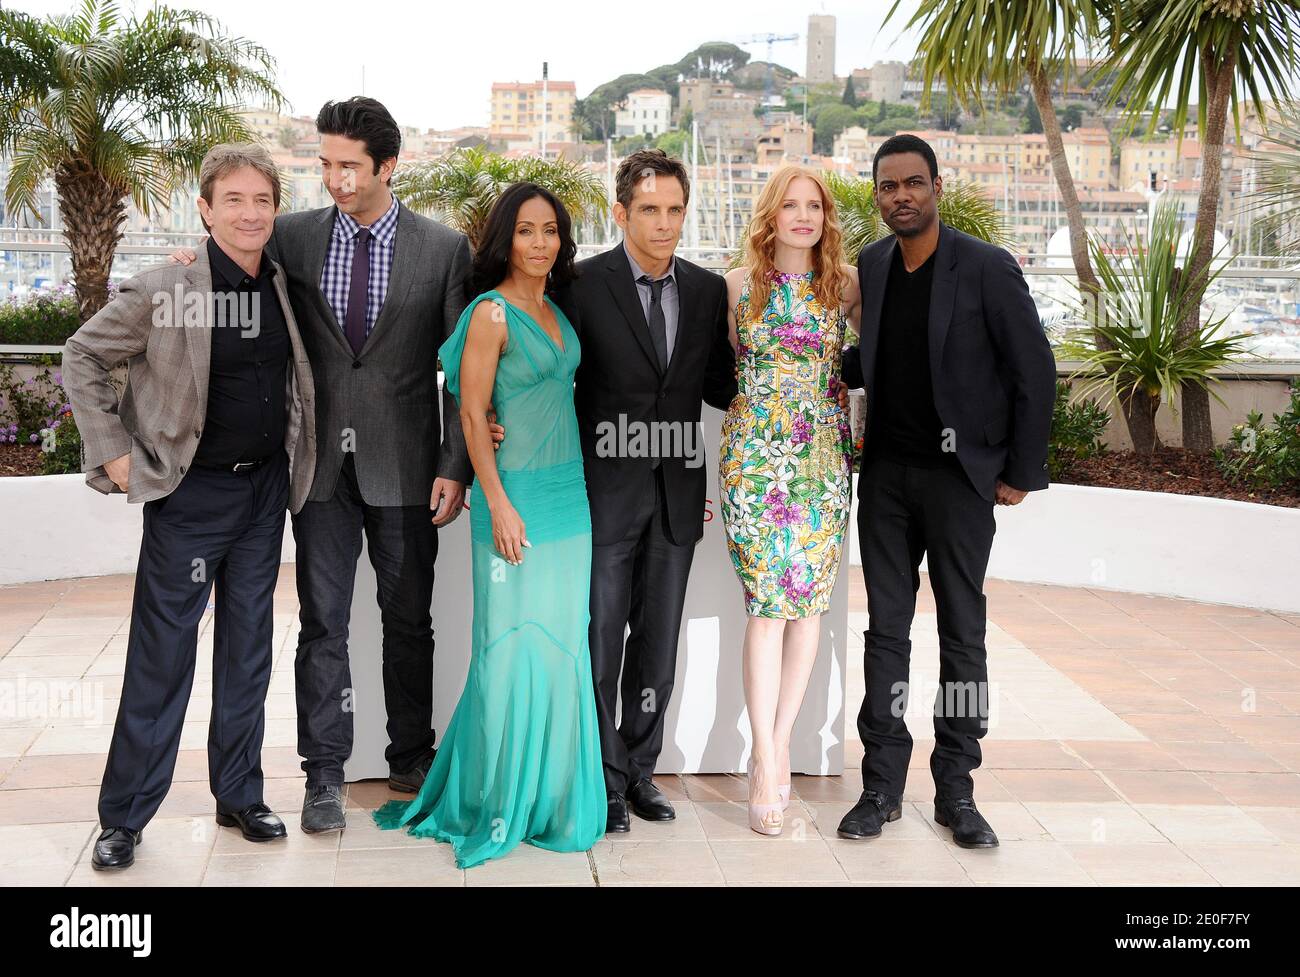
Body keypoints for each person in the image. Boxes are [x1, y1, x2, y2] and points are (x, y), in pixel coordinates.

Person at [172, 98, 491, 834]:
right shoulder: (291, 237)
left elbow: (463, 369)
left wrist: (457, 464)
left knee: (410, 621)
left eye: (350, 164)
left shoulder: (442, 249)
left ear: (388, 164)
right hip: (317, 467)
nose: (335, 178)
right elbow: (229, 256)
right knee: (323, 623)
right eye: (325, 163)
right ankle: (323, 772)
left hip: (410, 468)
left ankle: (411, 758)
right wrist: (188, 260)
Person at [63, 143, 317, 870]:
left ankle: (239, 794)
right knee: (163, 655)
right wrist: (111, 447)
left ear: (275, 209)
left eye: (261, 200)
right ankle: (124, 817)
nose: (249, 212)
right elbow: (81, 353)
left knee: (248, 652)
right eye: (232, 200)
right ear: (204, 210)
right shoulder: (165, 286)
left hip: (265, 492)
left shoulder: (282, 283)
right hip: (192, 495)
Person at [371, 183, 605, 867]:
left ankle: (550, 798)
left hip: (570, 500)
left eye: (551, 231)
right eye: (527, 230)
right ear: (505, 239)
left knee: (562, 648)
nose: (540, 243)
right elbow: (472, 415)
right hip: (514, 501)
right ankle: (496, 797)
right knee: (508, 648)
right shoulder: (491, 315)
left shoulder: (556, 309)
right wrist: (498, 501)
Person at [837, 134, 1056, 848]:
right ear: (877, 195)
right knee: (886, 634)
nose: (900, 195)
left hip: (961, 480)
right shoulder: (872, 264)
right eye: (887, 186)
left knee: (963, 634)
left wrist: (1020, 470)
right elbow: (873, 356)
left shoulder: (986, 267)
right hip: (887, 480)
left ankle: (957, 787)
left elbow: (1034, 369)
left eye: (912, 183)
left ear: (936, 185)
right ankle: (881, 786)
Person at [545, 150, 738, 833]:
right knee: (601, 640)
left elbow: (720, 385)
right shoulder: (579, 284)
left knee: (658, 642)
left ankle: (641, 770)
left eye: (675, 210)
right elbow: (550, 375)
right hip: (604, 490)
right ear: (621, 212)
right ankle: (602, 777)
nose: (664, 224)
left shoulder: (709, 290)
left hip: (678, 493)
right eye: (650, 210)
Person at [719, 166, 860, 835]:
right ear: (770, 215)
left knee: (808, 609)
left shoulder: (846, 288)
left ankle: (771, 748)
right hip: (754, 465)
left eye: (815, 206)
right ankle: (769, 761)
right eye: (790, 205)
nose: (803, 216)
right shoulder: (737, 288)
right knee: (767, 607)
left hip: (824, 465)